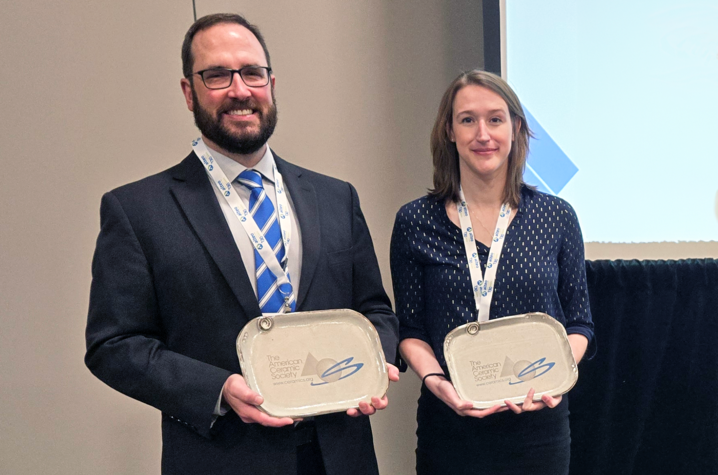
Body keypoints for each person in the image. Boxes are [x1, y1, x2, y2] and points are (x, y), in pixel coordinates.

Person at [85, 13, 399, 475]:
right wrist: (219, 390)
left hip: (339, 455)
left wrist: (374, 360)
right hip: (221, 456)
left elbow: (376, 311)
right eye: (217, 75)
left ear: (271, 84)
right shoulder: (137, 210)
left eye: (252, 73)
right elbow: (113, 344)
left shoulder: (335, 198)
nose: (239, 90)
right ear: (189, 91)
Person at [390, 70, 595, 475]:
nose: (482, 133)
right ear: (449, 131)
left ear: (516, 129)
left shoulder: (556, 217)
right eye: (467, 120)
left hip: (537, 426)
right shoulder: (415, 220)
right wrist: (436, 383)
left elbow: (580, 323)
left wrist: (552, 380)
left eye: (495, 119)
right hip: (450, 422)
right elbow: (411, 329)